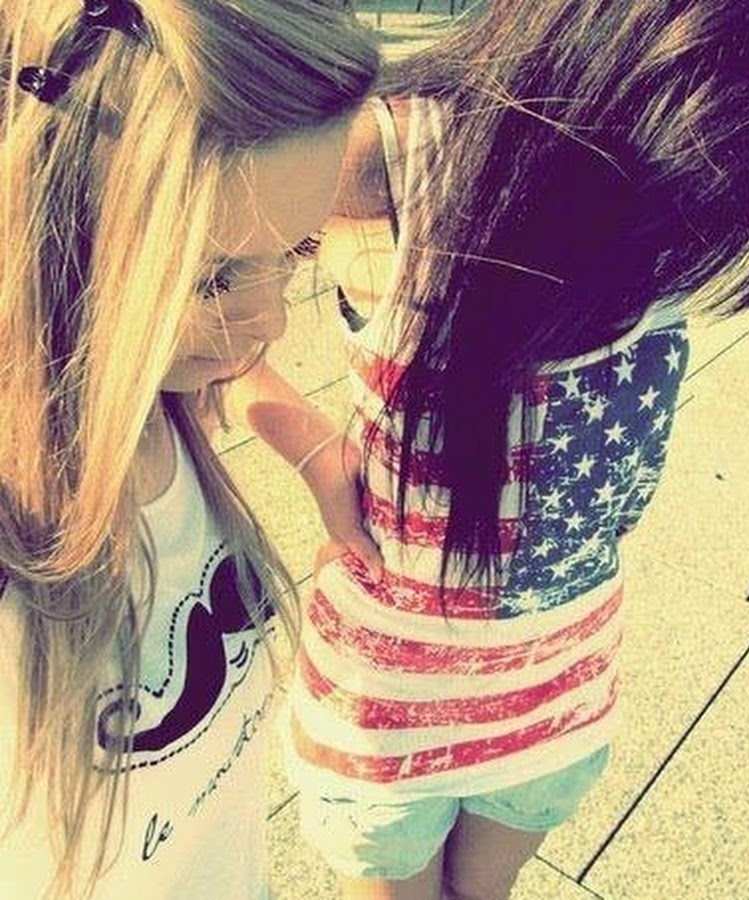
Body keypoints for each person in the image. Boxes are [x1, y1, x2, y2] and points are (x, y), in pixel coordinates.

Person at [285, 1, 749, 899]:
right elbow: (161, 279)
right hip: (392, 705)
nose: (747, 196)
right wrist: (300, 440)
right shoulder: (391, 159)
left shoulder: (679, 203)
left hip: (560, 688)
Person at [0, 1, 381, 897]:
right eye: (214, 277)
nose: (272, 319)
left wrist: (317, 453)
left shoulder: (155, 392)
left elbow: (237, 369)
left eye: (296, 250)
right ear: (49, 242)